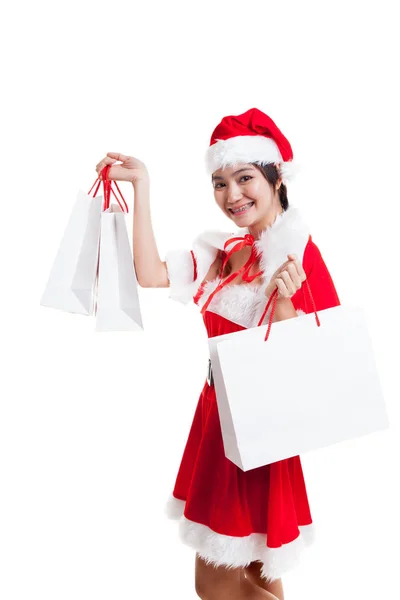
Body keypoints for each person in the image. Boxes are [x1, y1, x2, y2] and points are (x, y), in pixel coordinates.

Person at [95, 108, 341, 600]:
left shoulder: (298, 254)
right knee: (256, 573)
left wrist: (287, 298)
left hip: (257, 431)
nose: (232, 196)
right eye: (220, 182)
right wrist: (143, 184)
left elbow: (317, 364)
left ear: (276, 179)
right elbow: (151, 274)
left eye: (245, 178)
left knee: (216, 585)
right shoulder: (227, 250)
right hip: (216, 418)